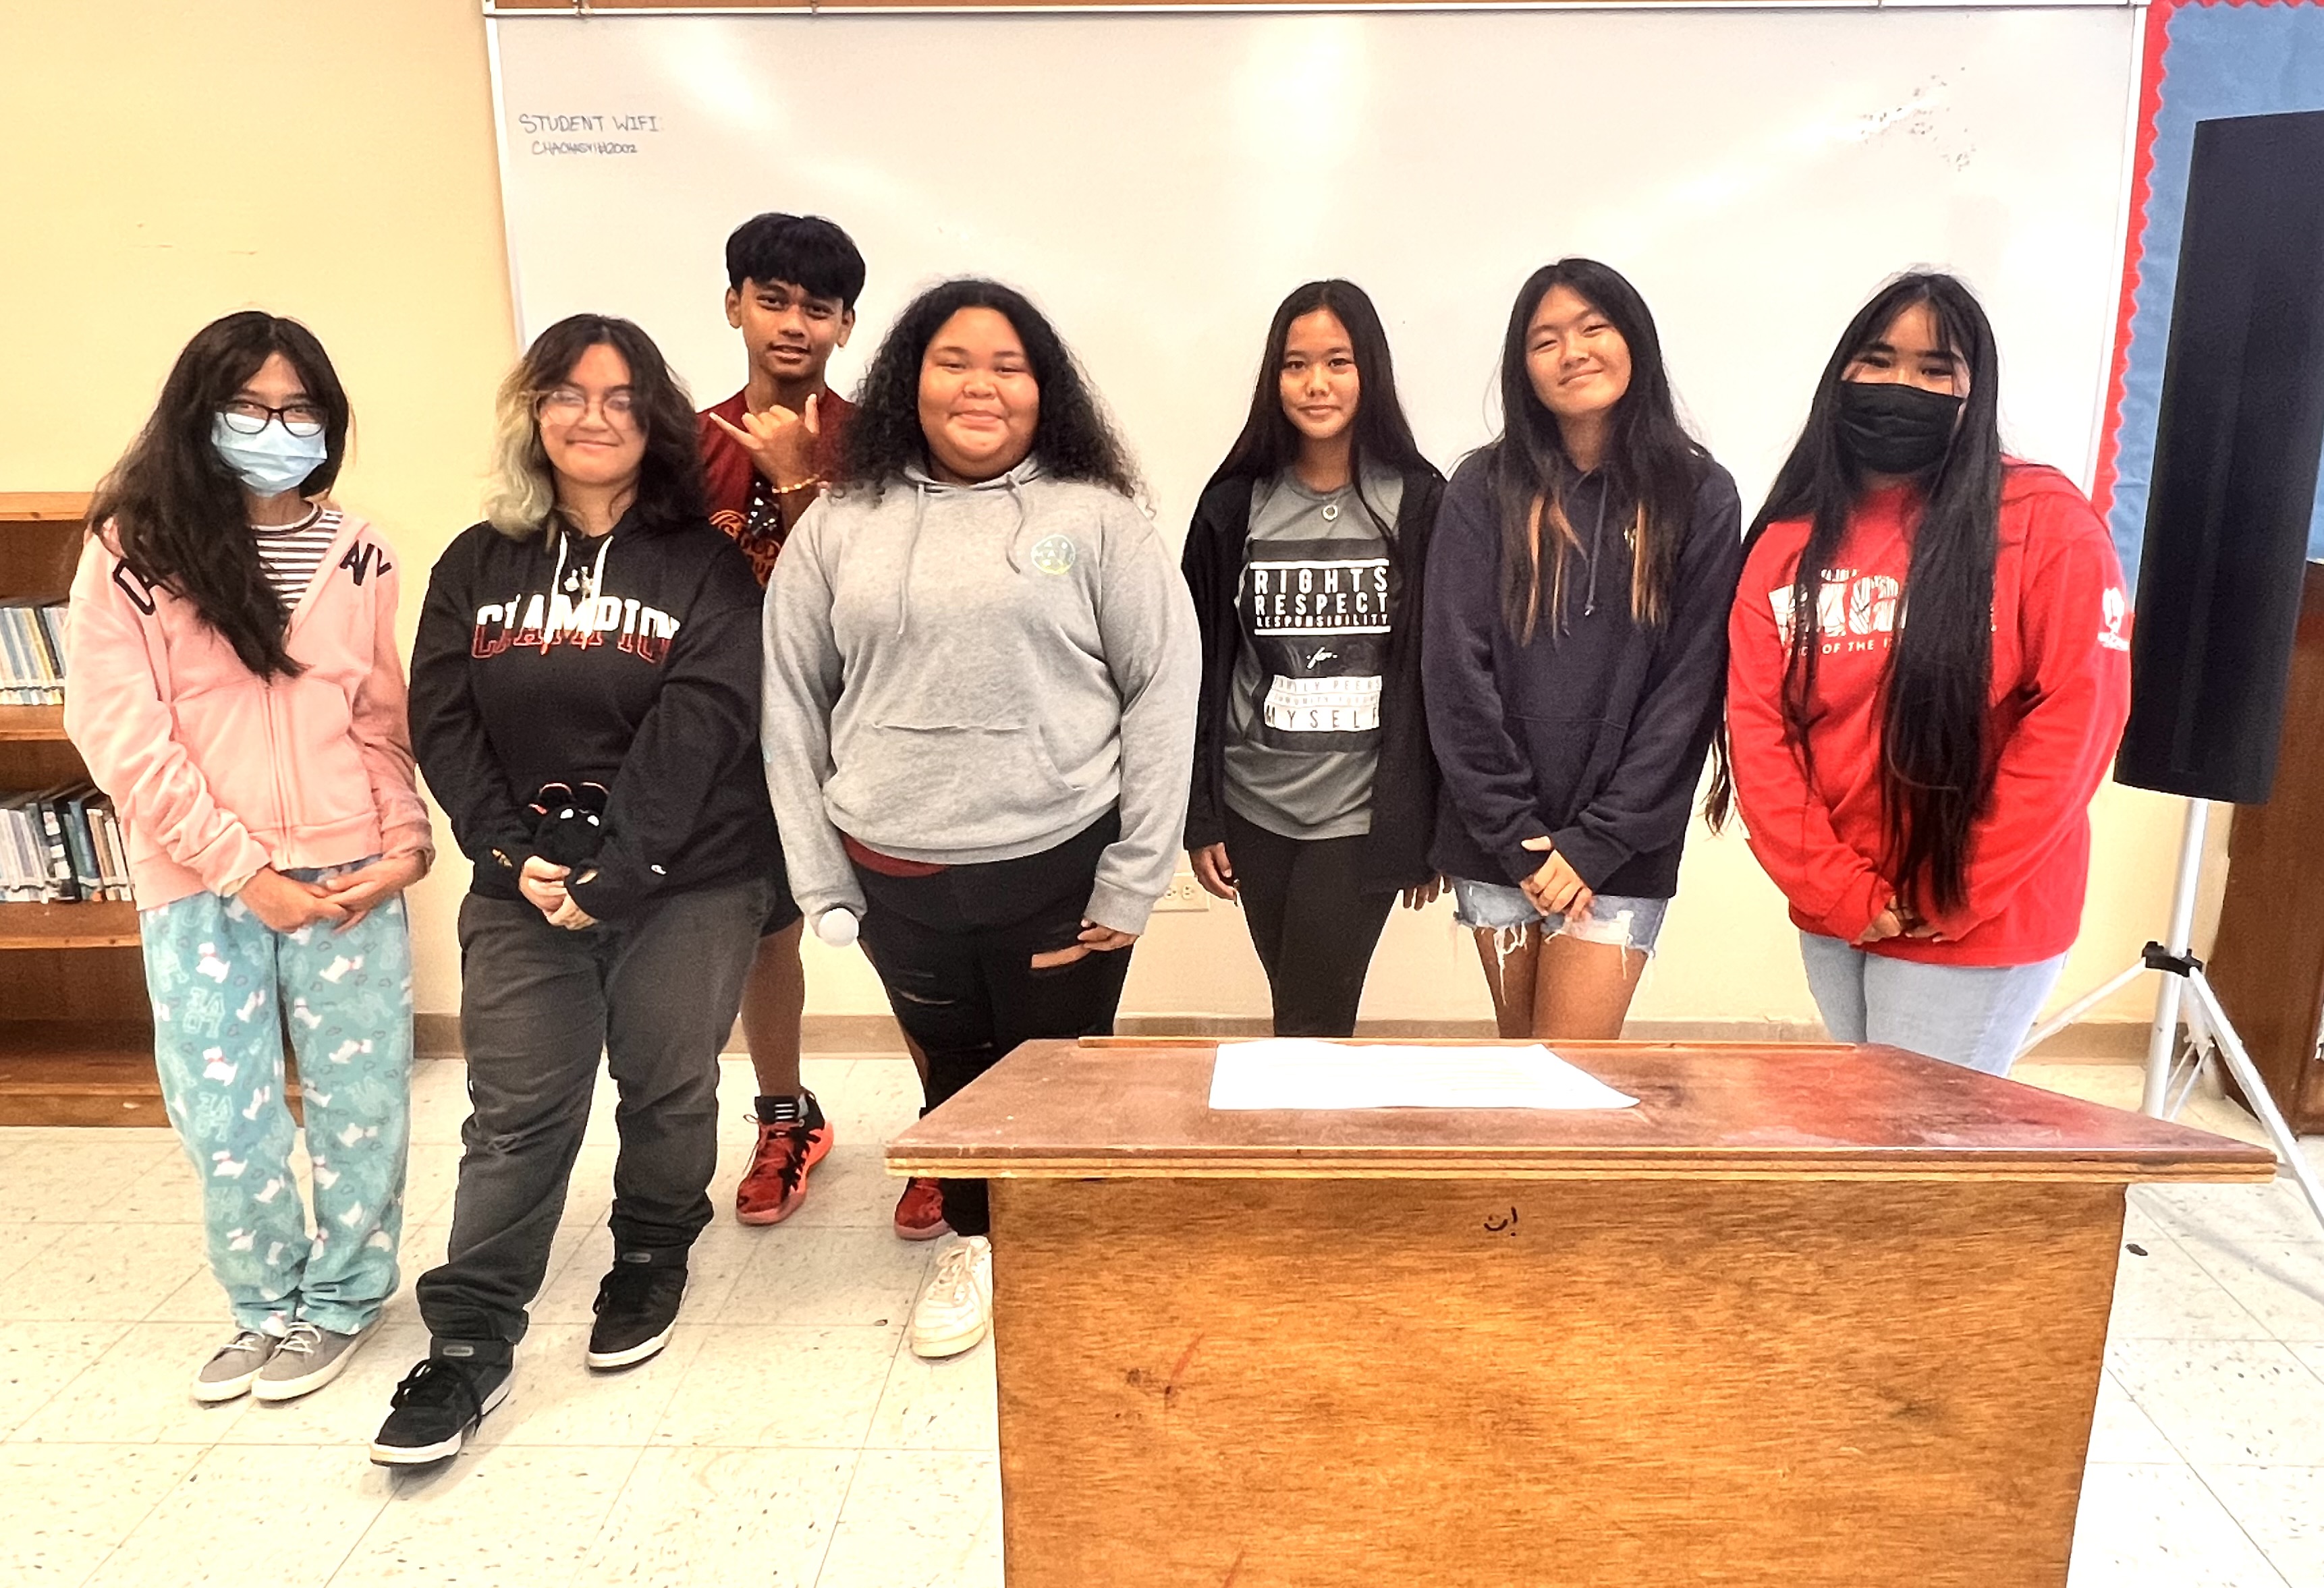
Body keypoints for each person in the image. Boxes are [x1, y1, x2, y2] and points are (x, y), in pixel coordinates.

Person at [763, 278, 1198, 1361]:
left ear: (1044, 391)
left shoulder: (1096, 520)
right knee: (955, 1076)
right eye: (955, 360)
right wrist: (820, 882)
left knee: (1062, 1075)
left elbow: (1163, 689)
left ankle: (1069, 1244)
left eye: (1009, 365)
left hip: (1060, 863)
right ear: (911, 378)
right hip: (894, 871)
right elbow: (790, 698)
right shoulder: (840, 527)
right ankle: (978, 1237)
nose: (981, 385)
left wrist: (1136, 874)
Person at [377, 314, 779, 1464]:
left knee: (667, 1086)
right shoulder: (476, 561)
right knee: (516, 1112)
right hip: (522, 886)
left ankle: (651, 1250)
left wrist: (619, 870)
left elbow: (704, 716)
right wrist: (513, 857)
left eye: (619, 397)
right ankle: (467, 1338)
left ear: (653, 420)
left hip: (684, 880)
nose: (591, 416)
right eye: (566, 393)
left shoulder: (700, 561)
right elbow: (442, 719)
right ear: (532, 411)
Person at [65, 311, 430, 1405]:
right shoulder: (133, 548)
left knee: (361, 1099)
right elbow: (121, 733)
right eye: (252, 407)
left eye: (299, 408)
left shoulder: (360, 550)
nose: (278, 427)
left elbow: (376, 715)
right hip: (203, 883)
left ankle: (345, 1297)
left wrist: (405, 841)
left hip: (348, 874)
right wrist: (240, 869)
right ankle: (263, 1304)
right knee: (224, 1112)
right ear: (201, 412)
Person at [1717, 273, 2131, 1074]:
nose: (1902, 385)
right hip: (1841, 910)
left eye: (1935, 369)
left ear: (1975, 391)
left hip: (1973, 916)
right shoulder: (1788, 538)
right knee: (1874, 1135)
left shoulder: (2042, 519)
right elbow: (1760, 729)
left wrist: (1957, 887)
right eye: (1879, 360)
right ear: (1841, 375)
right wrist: (1841, 889)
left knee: (1918, 1150)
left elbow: (2080, 716)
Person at [696, 213, 947, 1236]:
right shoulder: (686, 444)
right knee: (769, 929)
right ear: (733, 306)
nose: (793, 323)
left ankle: (944, 1123)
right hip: (732, 741)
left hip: (865, 733)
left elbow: (856, 598)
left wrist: (802, 481)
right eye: (772, 298)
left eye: (818, 306)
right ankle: (786, 1117)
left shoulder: (880, 447)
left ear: (847, 325)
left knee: (910, 941)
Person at [1424, 259, 1742, 1040]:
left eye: (1594, 327)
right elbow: (1455, 670)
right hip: (1500, 838)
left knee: (1573, 1069)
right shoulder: (1482, 487)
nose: (1573, 352)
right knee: (1521, 1066)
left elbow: (1689, 688)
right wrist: (1520, 837)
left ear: (1634, 340)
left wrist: (1596, 840)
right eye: (1546, 339)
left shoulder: (1700, 495)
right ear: (1522, 367)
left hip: (1624, 842)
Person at [1182, 280, 1445, 1036]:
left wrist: (1426, 827)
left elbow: (1443, 677)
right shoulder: (1235, 503)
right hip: (1253, 803)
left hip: (1359, 812)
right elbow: (1192, 666)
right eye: (1296, 364)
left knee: (1312, 1019)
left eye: (1338, 361)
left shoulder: (1422, 501)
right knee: (1300, 1009)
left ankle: (1300, 1146)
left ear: (1371, 372)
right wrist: (1200, 814)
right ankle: (1304, 1141)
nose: (1317, 383)